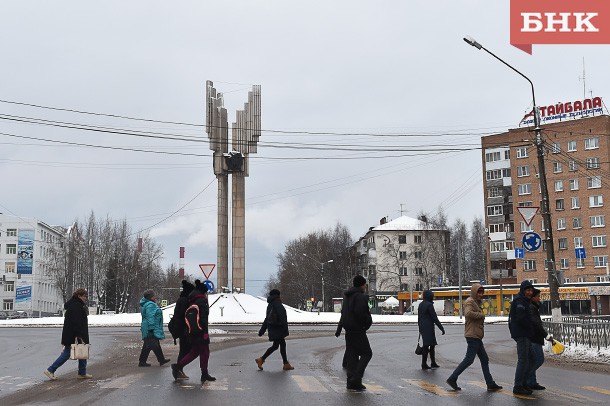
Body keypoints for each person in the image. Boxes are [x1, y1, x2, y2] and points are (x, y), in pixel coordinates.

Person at [446, 283, 502, 392]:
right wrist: (481, 315)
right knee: (469, 359)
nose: (481, 294)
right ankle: (452, 378)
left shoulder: (476, 302)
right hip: (472, 335)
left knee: (484, 359)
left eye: (482, 292)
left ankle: (490, 383)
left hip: (476, 335)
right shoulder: (470, 302)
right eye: (479, 292)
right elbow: (468, 313)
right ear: (474, 292)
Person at [171, 280, 216, 382]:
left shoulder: (192, 299)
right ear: (203, 292)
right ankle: (203, 374)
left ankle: (178, 367)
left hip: (192, 330)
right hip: (200, 331)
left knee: (195, 351)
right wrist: (205, 332)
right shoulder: (202, 301)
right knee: (205, 352)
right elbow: (204, 318)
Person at [44, 288, 93, 380]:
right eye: (84, 296)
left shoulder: (74, 305)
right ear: (79, 296)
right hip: (75, 334)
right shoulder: (77, 306)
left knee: (82, 351)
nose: (85, 298)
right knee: (67, 353)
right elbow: (76, 322)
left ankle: (82, 372)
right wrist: (79, 335)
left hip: (72, 334)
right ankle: (50, 370)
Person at [340, 275, 373, 391]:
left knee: (352, 356)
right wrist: (368, 322)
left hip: (348, 330)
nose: (365, 287)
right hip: (358, 330)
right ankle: (356, 377)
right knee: (367, 353)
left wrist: (340, 327)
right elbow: (361, 314)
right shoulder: (360, 297)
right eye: (365, 285)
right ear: (361, 285)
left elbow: (343, 313)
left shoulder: (347, 296)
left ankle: (351, 383)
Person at [255, 289, 294, 371]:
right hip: (278, 328)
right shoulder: (277, 304)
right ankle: (285, 363)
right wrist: (285, 328)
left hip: (273, 328)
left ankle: (261, 359)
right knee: (281, 344)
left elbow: (267, 319)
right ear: (277, 295)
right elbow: (282, 317)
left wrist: (262, 330)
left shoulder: (270, 305)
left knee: (276, 346)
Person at [509, 280, 536, 395]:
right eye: (528, 290)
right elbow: (521, 318)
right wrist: (530, 327)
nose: (530, 293)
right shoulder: (520, 301)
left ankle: (523, 382)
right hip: (522, 334)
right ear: (523, 290)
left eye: (531, 290)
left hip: (525, 334)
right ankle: (518, 386)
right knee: (523, 360)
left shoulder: (524, 301)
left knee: (532, 358)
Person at [526, 288, 551, 391]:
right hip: (534, 338)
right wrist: (546, 335)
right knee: (538, 360)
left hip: (534, 337)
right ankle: (526, 378)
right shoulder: (532, 308)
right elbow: (536, 324)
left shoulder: (533, 307)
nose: (539, 298)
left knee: (533, 360)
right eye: (538, 296)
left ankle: (532, 382)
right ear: (533, 297)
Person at [139, 290, 170, 367]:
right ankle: (160, 360)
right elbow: (150, 317)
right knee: (153, 344)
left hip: (148, 326)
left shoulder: (147, 304)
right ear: (150, 297)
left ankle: (159, 360)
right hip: (150, 327)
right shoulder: (150, 305)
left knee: (151, 344)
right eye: (153, 296)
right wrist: (151, 328)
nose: (155, 297)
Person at [172, 280, 195, 379]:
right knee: (187, 350)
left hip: (182, 329)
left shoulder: (181, 299)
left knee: (184, 350)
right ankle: (178, 369)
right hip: (184, 330)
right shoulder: (185, 301)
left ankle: (179, 369)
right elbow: (184, 316)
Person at [417, 290, 445, 369]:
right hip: (429, 327)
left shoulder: (421, 304)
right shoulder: (429, 305)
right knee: (428, 346)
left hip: (423, 327)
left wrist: (420, 327)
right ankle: (425, 364)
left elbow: (419, 318)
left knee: (430, 345)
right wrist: (441, 328)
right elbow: (434, 318)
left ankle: (432, 362)